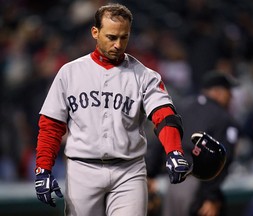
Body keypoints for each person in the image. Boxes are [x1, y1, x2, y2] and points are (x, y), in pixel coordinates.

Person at [34, 3, 190, 216]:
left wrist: (174, 151)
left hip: (129, 170)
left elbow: (164, 116)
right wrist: (43, 168)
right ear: (95, 32)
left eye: (123, 37)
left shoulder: (145, 76)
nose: (118, 44)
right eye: (111, 37)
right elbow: (51, 125)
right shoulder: (70, 73)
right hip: (83, 169)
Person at [162, 70, 241, 216]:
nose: (231, 96)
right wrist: (211, 196)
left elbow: (162, 137)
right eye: (228, 91)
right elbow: (222, 160)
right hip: (199, 186)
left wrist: (151, 174)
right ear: (217, 92)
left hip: (173, 182)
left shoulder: (182, 107)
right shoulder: (223, 118)